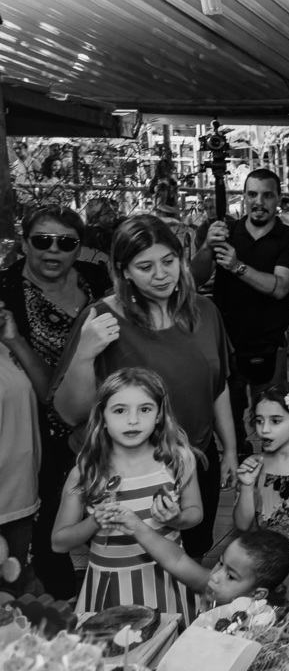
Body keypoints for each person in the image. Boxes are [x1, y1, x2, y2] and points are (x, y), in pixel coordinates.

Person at [53, 215, 239, 556]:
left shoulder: (205, 311)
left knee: (192, 550)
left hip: (196, 458)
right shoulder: (103, 318)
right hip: (133, 466)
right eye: (145, 266)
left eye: (168, 261)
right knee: (137, 562)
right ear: (124, 271)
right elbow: (70, 412)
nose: (161, 275)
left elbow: (219, 385)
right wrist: (83, 354)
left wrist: (229, 448)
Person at [0, 205, 109, 598]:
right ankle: (62, 611)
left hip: (102, 421)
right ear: (24, 244)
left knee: (113, 514)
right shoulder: (6, 290)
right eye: (42, 240)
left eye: (66, 243)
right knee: (49, 533)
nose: (53, 251)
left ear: (79, 248)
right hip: (41, 431)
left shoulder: (97, 280)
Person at [52, 368, 202, 620]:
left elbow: (195, 513)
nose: (133, 420)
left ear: (159, 415)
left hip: (167, 580)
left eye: (145, 409)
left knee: (169, 653)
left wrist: (176, 518)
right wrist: (95, 521)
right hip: (109, 587)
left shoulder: (178, 460)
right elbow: (59, 542)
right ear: (103, 416)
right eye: (120, 410)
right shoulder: (86, 471)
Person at [192, 168, 289, 460]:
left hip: (269, 341)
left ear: (278, 198)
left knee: (274, 417)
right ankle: (240, 465)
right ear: (243, 197)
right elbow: (193, 280)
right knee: (229, 423)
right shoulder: (227, 232)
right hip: (226, 343)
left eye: (267, 195)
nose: (259, 201)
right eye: (252, 194)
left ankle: (275, 473)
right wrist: (207, 246)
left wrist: (237, 266)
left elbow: (280, 287)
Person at [232, 384, 289, 610]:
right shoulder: (254, 467)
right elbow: (242, 524)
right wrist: (247, 487)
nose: (264, 430)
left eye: (275, 421)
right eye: (259, 421)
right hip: (268, 572)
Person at [106, 517, 289, 610]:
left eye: (231, 576)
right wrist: (137, 528)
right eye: (220, 564)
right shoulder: (213, 586)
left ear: (257, 594)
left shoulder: (256, 628)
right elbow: (177, 560)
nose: (215, 576)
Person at [0, 298, 47, 598]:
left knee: (21, 601)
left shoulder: (6, 347)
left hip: (20, 500)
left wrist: (13, 339)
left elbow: (48, 391)